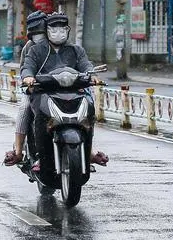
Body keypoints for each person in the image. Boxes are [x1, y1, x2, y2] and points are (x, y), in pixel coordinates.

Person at [20, 12, 108, 172]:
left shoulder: (76, 50)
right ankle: (40, 155)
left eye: (62, 28)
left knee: (89, 110)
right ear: (47, 30)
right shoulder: (36, 50)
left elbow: (86, 65)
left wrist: (93, 75)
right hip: (44, 92)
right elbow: (27, 67)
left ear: (67, 30)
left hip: (74, 91)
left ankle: (88, 152)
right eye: (54, 28)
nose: (58, 32)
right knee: (37, 114)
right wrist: (28, 78)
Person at [3, 11, 48, 166]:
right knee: (25, 107)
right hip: (34, 89)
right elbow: (24, 69)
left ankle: (88, 151)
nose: (38, 34)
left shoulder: (58, 45)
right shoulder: (29, 47)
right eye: (35, 31)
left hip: (57, 89)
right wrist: (29, 80)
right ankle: (18, 151)